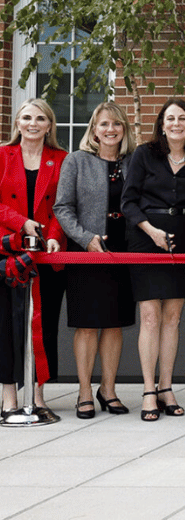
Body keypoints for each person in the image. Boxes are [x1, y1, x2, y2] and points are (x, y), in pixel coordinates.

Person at [121, 98, 185, 421]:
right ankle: (148, 390)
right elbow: (129, 202)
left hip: (181, 242)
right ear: (161, 124)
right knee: (149, 317)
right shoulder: (144, 155)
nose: (175, 123)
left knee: (172, 318)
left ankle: (166, 387)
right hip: (145, 240)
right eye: (170, 118)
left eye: (182, 118)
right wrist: (151, 231)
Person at [53, 101, 137, 419]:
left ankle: (109, 390)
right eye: (104, 124)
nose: (110, 130)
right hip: (87, 253)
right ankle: (85, 391)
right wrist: (85, 238)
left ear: (124, 129)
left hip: (123, 254)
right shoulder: (77, 161)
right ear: (94, 129)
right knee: (87, 325)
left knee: (114, 325)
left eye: (116, 124)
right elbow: (63, 207)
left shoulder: (133, 163)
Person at [0, 98, 67, 414]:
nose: (33, 123)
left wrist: (53, 237)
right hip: (7, 252)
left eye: (40, 118)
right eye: (26, 117)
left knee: (45, 323)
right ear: (17, 123)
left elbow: (62, 206)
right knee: (5, 326)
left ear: (49, 126)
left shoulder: (61, 159)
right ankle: (9, 395)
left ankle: (39, 394)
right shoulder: (2, 155)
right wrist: (21, 222)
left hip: (46, 256)